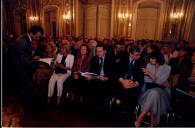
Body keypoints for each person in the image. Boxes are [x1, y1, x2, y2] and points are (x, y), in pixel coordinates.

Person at [10, 25, 44, 111]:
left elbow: (24, 56)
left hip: (21, 67)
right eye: (38, 36)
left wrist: (32, 58)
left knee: (27, 88)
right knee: (28, 87)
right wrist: (38, 64)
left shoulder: (25, 38)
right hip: (21, 69)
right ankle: (28, 108)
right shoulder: (23, 41)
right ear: (32, 33)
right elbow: (24, 60)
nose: (38, 38)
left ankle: (26, 107)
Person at [135, 51, 171, 127]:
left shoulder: (167, 68)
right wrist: (153, 79)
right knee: (154, 94)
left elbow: (160, 82)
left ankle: (140, 117)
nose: (150, 60)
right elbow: (146, 80)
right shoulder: (149, 65)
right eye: (150, 58)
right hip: (149, 92)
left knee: (155, 93)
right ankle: (152, 125)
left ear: (158, 58)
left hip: (163, 93)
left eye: (152, 58)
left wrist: (150, 74)